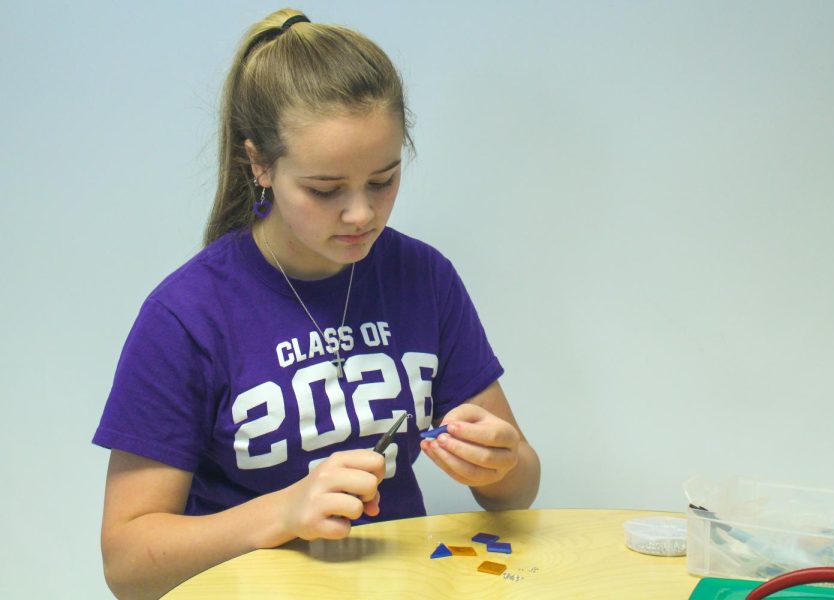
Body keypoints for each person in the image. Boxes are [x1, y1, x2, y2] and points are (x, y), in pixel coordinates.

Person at [93, 8, 540, 599]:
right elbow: (126, 565)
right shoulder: (187, 315)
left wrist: (504, 465)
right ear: (259, 165)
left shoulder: (423, 277)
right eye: (325, 190)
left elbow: (517, 489)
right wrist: (280, 515)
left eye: (383, 180)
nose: (362, 214)